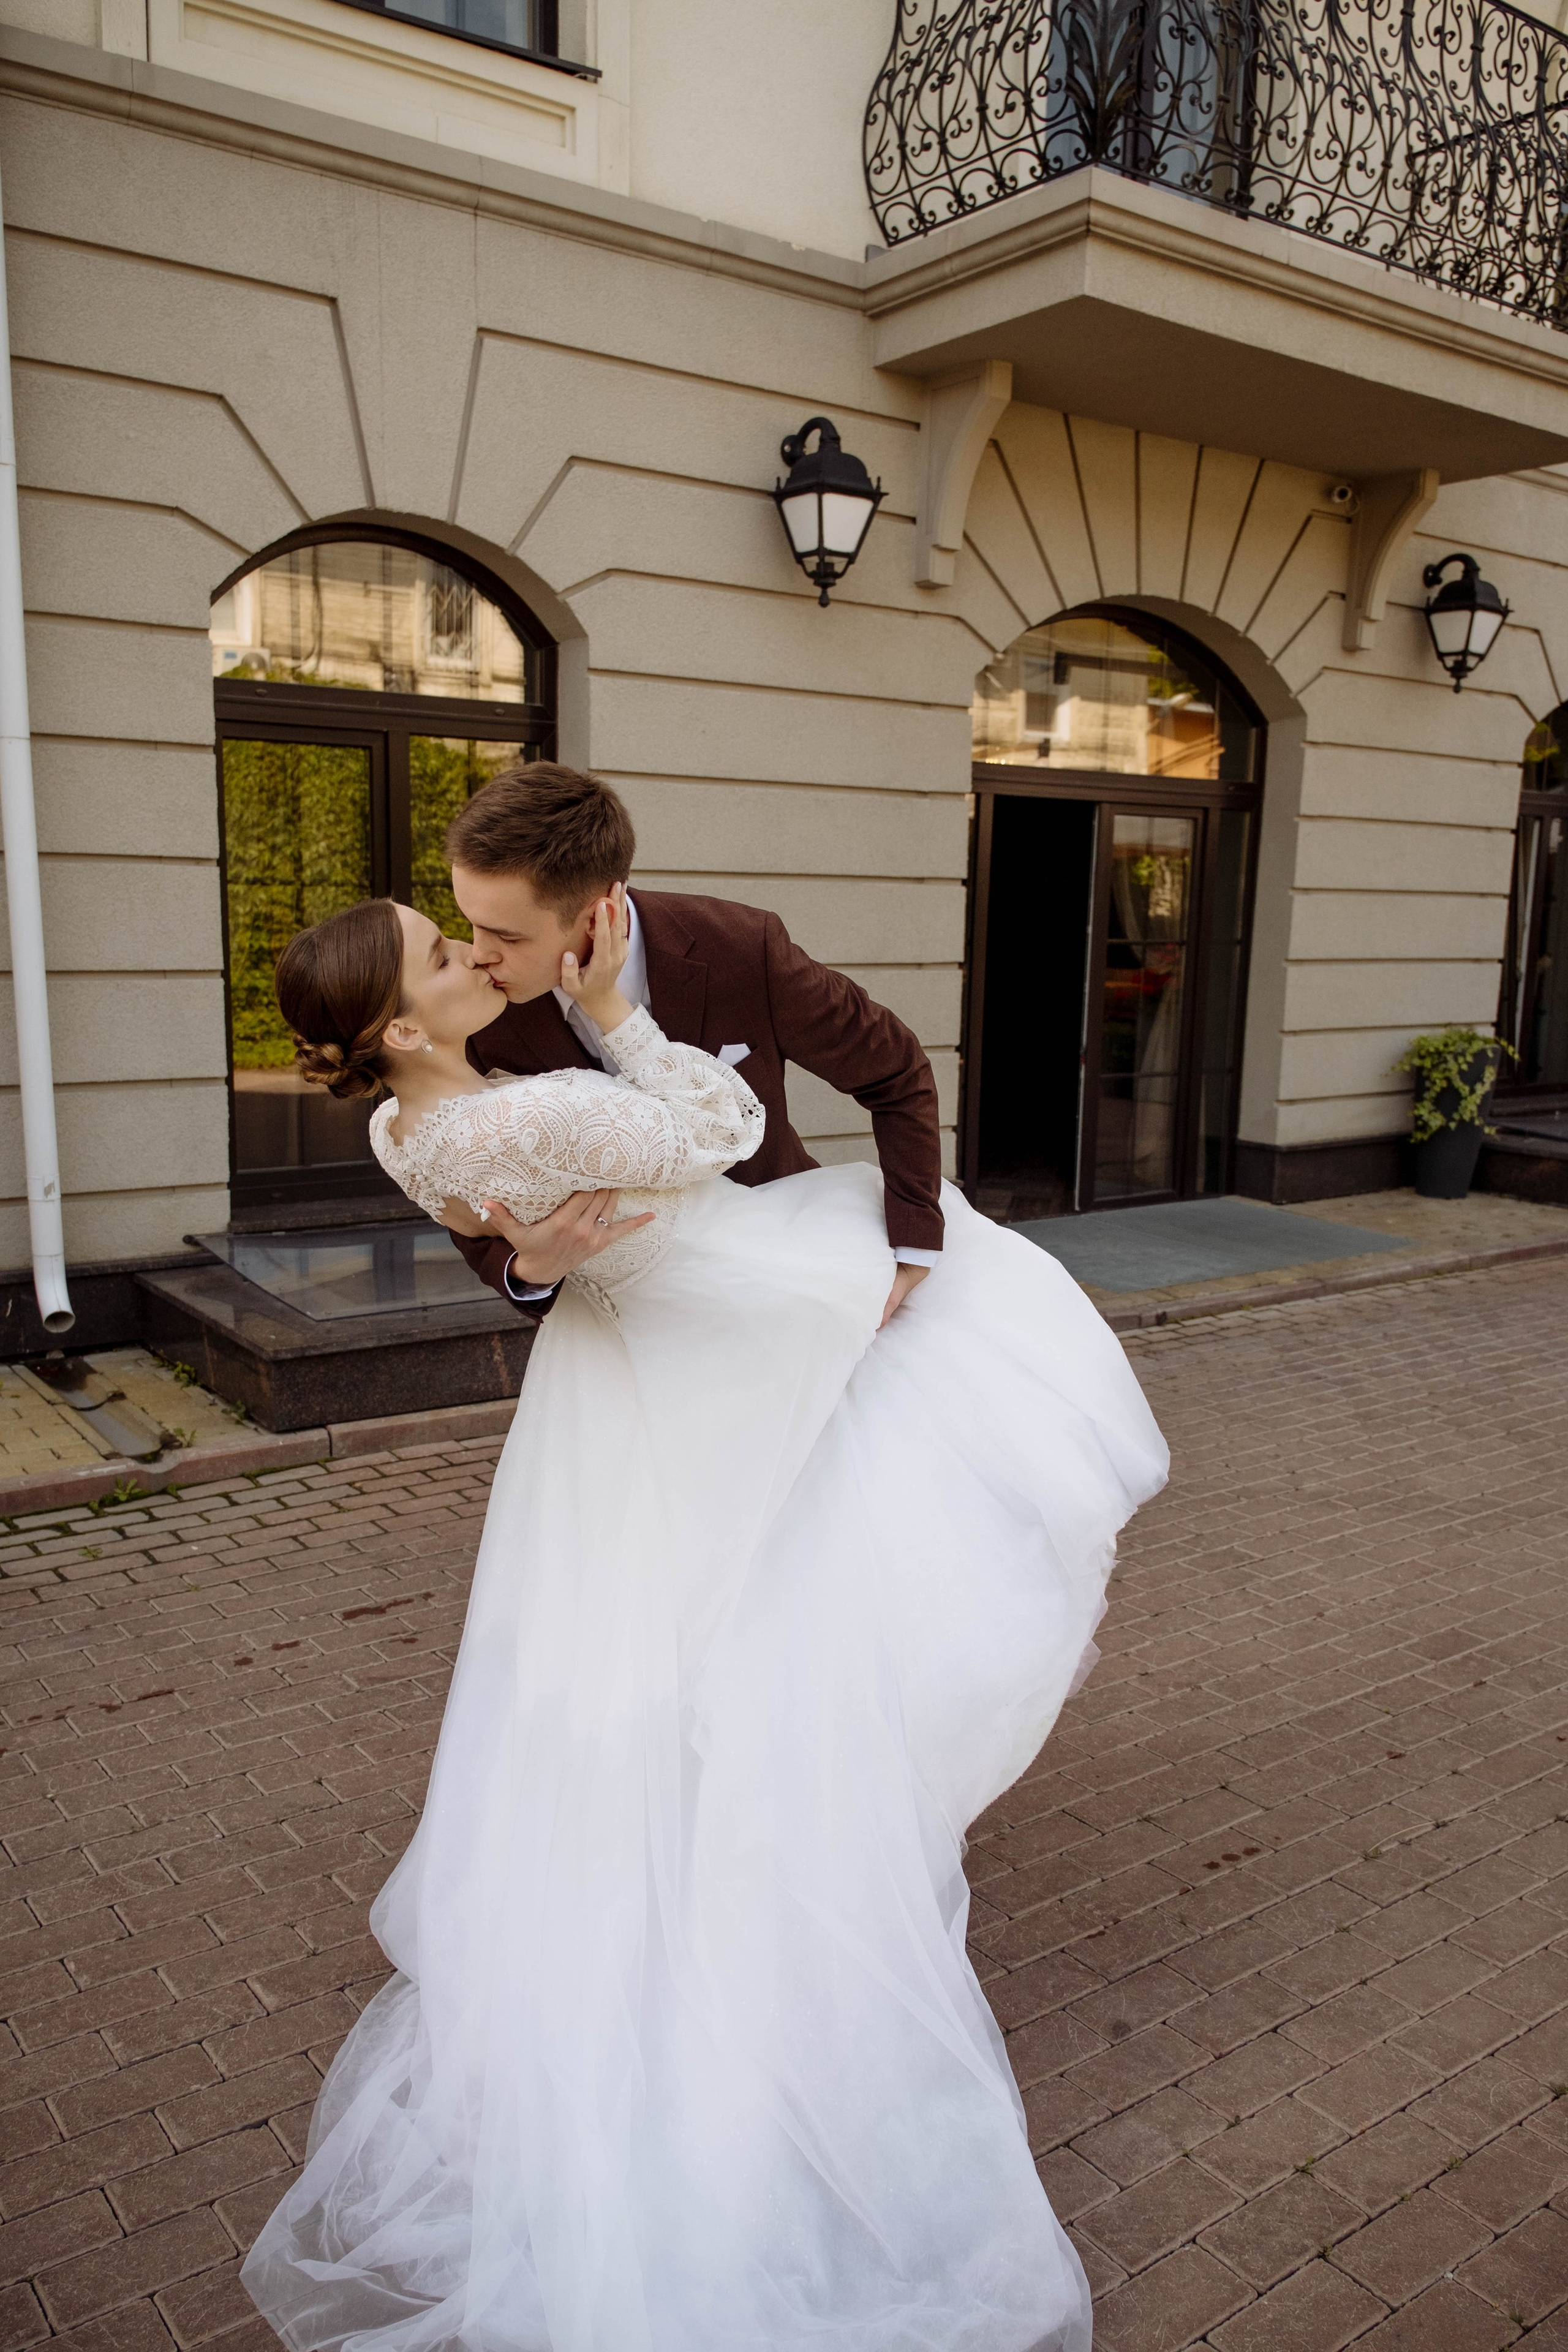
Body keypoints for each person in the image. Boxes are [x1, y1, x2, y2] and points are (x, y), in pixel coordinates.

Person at [243, 888, 1169, 2352]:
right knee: (835, 1555)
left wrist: (543, 1246)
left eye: (466, 930)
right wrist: (615, 1012)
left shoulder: (403, 1128)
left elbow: (551, 1211)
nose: (471, 954)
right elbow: (721, 1128)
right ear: (401, 1027)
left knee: (650, 1659)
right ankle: (746, 1925)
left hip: (626, 1367)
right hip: (709, 1325)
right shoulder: (514, 1113)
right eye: (440, 951)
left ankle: (691, 1883)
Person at [435, 763, 943, 1331]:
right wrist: (526, 1271)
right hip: (622, 1323)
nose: (478, 954)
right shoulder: (477, 1009)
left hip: (791, 1284)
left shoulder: (743, 949)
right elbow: (456, 1183)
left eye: (507, 936)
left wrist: (914, 1244)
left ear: (601, 914)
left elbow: (896, 1071)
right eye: (470, 923)